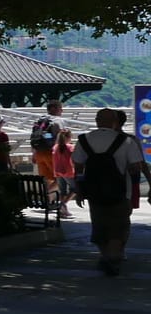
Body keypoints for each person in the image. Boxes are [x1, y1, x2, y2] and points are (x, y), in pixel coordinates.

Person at [72, 108, 145, 276]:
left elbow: (78, 168)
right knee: (118, 228)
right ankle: (114, 257)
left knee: (99, 226)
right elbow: (135, 168)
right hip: (121, 192)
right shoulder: (126, 141)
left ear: (97, 120)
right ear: (114, 122)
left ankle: (105, 256)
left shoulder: (84, 140)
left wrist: (80, 189)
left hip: (94, 193)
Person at [52, 128, 77, 211]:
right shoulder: (70, 147)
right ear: (68, 137)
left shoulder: (55, 147)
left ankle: (63, 209)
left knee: (62, 191)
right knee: (75, 188)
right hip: (68, 172)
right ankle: (63, 204)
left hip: (58, 171)